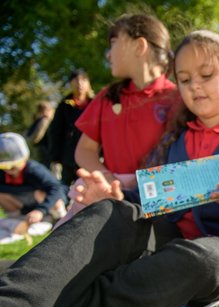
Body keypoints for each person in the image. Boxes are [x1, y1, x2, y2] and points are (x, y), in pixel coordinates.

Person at [0, 29, 219, 307]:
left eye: (206, 75)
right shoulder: (176, 141)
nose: (195, 86)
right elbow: (151, 196)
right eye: (185, 78)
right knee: (110, 213)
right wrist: (111, 194)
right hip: (170, 232)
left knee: (203, 259)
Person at [55, 13, 178, 227]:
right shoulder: (107, 97)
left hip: (160, 202)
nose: (108, 55)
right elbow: (84, 150)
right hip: (107, 195)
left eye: (113, 44)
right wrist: (107, 178)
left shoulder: (177, 98)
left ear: (139, 46)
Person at [0, 132, 67, 224]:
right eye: (5, 166)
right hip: (24, 205)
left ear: (25, 158)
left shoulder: (34, 169)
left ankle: (60, 219)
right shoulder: (2, 174)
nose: (10, 169)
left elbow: (56, 188)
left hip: (44, 205)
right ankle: (18, 221)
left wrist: (40, 210)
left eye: (15, 164)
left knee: (40, 193)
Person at [48, 69, 94, 186]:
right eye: (76, 80)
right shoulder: (64, 106)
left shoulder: (95, 104)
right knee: (66, 190)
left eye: (83, 80)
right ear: (70, 83)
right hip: (68, 157)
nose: (79, 84)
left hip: (92, 156)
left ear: (88, 83)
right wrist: (55, 158)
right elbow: (55, 132)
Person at [24, 101, 54, 167]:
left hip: (44, 152)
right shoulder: (44, 120)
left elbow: (34, 137)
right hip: (42, 152)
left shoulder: (42, 121)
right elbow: (36, 138)